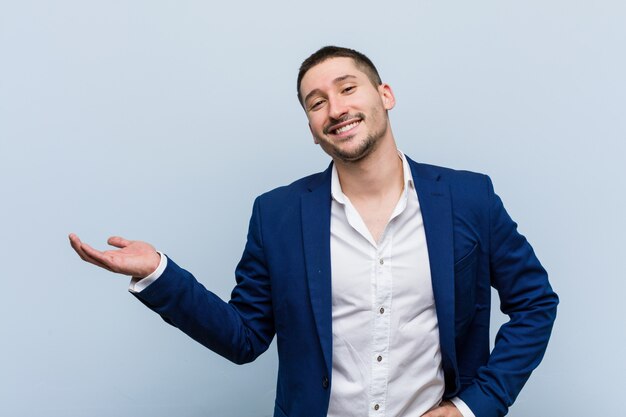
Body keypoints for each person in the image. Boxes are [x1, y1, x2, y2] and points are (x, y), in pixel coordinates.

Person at [69, 46, 558, 417]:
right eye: (316, 102)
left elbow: (535, 302)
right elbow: (244, 338)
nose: (335, 108)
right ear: (311, 124)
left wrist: (472, 407)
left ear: (384, 95)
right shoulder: (277, 214)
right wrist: (159, 273)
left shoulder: (468, 198)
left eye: (348, 88)